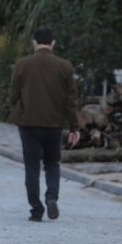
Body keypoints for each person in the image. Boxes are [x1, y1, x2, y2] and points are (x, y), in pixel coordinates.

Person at [9, 27, 78, 222]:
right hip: (54, 124)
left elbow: (13, 95)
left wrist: (20, 109)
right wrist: (74, 127)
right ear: (53, 43)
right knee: (52, 164)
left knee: (32, 167)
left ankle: (36, 209)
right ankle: (51, 198)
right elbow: (70, 99)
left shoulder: (22, 65)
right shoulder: (65, 66)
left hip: (28, 124)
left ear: (34, 43)